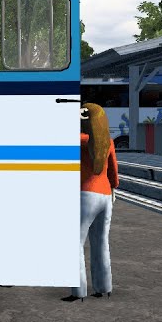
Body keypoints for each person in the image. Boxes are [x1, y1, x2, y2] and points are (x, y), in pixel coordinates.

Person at [65, 103, 119, 302]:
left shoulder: (77, 141)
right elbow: (114, 172)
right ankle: (104, 288)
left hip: (85, 195)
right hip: (106, 195)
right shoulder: (108, 142)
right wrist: (113, 188)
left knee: (75, 244)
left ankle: (78, 292)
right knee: (101, 242)